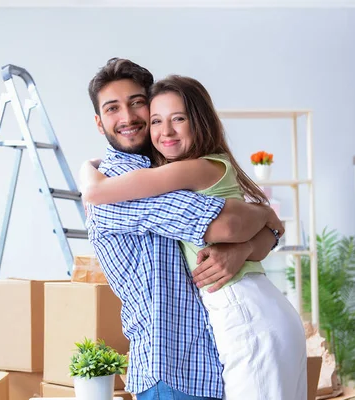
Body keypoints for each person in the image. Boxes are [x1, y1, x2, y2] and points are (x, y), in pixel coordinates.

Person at [81, 73, 307, 400]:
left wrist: (247, 242)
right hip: (174, 365)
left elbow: (261, 229)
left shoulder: (177, 172)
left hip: (226, 339)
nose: (128, 117)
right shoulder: (125, 189)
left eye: (137, 104)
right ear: (99, 123)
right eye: (113, 108)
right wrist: (261, 218)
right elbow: (230, 226)